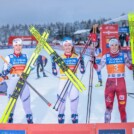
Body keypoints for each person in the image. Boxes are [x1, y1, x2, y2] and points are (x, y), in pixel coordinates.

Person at [93, 38, 132, 123]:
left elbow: (130, 67)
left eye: (115, 45)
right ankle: (106, 127)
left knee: (122, 107)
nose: (114, 47)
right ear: (109, 46)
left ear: (118, 45)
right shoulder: (106, 56)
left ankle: (124, 126)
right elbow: (99, 68)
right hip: (110, 84)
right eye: (112, 45)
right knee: (108, 107)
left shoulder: (123, 55)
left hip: (121, 84)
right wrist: (94, 64)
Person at [52, 37, 85, 124]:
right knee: (61, 100)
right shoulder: (60, 58)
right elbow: (55, 73)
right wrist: (53, 63)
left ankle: (74, 116)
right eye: (65, 45)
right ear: (63, 47)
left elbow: (82, 71)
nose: (67, 47)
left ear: (72, 46)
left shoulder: (77, 57)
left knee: (74, 99)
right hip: (63, 80)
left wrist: (82, 62)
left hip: (73, 81)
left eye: (69, 45)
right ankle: (61, 116)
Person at [1, 38, 33, 124]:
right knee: (11, 105)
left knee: (26, 103)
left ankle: (30, 123)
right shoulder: (9, 57)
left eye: (19, 45)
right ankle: (9, 123)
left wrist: (30, 69)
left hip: (23, 82)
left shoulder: (26, 56)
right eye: (16, 45)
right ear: (13, 46)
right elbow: (3, 73)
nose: (18, 47)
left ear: (22, 46)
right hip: (13, 82)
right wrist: (8, 69)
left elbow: (28, 70)